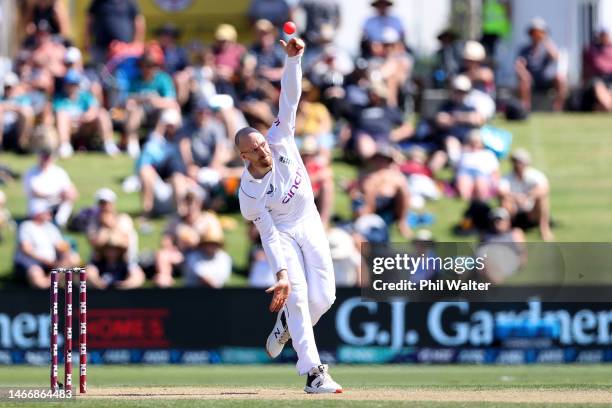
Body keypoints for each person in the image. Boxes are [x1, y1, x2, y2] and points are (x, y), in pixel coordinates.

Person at [236, 37, 342, 393]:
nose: (262, 150)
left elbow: (289, 98)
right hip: (281, 230)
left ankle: (285, 327)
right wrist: (281, 274)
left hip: (308, 219)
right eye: (254, 150)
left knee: (323, 298)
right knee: (296, 295)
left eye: (262, 144)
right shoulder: (249, 194)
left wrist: (294, 61)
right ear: (244, 157)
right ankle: (313, 373)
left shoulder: (281, 137)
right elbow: (266, 233)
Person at [154, 190, 221, 288]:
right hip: (182, 255)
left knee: (195, 259)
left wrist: (197, 243)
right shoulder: (177, 220)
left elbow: (216, 242)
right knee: (162, 255)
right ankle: (165, 281)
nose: (189, 206)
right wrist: (171, 248)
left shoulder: (208, 219)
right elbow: (166, 239)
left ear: (199, 204)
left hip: (201, 255)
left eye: (192, 202)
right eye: (187, 202)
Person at [124, 46, 179, 158]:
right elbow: (127, 100)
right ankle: (132, 144)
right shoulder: (135, 80)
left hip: (158, 112)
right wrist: (142, 99)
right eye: (145, 65)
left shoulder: (163, 78)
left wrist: (155, 100)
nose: (148, 68)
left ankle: (156, 142)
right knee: (134, 110)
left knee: (169, 113)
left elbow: (172, 102)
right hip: (141, 112)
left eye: (152, 65)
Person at [135, 109, 190, 219]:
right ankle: (147, 212)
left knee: (177, 178)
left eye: (173, 125)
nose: (171, 128)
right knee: (146, 171)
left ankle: (182, 214)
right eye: (168, 125)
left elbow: (189, 166)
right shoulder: (155, 144)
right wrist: (159, 130)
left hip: (181, 189)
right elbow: (142, 166)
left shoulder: (184, 142)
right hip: (160, 189)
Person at [85, 188, 145, 289]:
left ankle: (123, 287)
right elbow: (95, 244)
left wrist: (111, 225)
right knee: (88, 273)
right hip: (102, 259)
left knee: (137, 276)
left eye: (107, 203)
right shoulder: (93, 222)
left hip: (124, 259)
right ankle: (101, 287)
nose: (104, 206)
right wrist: (105, 229)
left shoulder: (124, 219)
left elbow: (125, 242)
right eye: (101, 203)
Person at [13, 200, 80, 289]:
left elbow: (60, 245)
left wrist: (66, 254)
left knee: (72, 259)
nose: (49, 213)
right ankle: (47, 287)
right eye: (46, 211)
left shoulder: (50, 227)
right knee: (36, 275)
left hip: (51, 264)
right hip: (31, 264)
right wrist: (46, 261)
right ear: (38, 213)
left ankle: (52, 284)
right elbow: (26, 249)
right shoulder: (26, 226)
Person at [53, 69, 119, 158]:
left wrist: (86, 117)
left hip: (86, 126)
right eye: (70, 84)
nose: (72, 87)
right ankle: (64, 146)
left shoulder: (85, 96)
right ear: (65, 85)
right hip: (70, 127)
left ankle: (109, 144)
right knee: (62, 116)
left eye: (74, 84)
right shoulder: (59, 99)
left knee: (102, 113)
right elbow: (59, 113)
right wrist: (74, 120)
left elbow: (94, 108)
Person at [351, 144, 412, 238]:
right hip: (368, 201)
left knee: (402, 189)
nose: (381, 161)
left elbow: (402, 191)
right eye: (379, 158)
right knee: (367, 190)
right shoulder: (367, 173)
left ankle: (402, 222)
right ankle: (365, 223)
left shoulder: (395, 175)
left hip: (388, 205)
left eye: (384, 159)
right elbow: (358, 190)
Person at [498, 148, 553, 241]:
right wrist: (516, 198)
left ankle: (544, 229)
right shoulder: (507, 177)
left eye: (519, 161)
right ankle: (506, 232)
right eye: (515, 161)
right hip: (515, 209)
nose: (517, 164)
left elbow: (544, 188)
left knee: (543, 199)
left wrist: (529, 195)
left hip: (531, 210)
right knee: (505, 201)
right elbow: (501, 191)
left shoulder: (535, 175)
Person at [515, 18, 567, 111]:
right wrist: (524, 73)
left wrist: (544, 41)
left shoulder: (548, 47)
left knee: (560, 79)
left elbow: (555, 57)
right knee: (524, 81)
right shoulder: (525, 49)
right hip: (532, 80)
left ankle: (558, 108)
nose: (536, 35)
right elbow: (519, 64)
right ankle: (525, 108)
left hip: (547, 80)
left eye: (540, 32)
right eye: (534, 32)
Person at [23, 147, 78, 228]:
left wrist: (69, 194)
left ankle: (60, 223)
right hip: (40, 202)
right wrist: (56, 196)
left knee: (67, 203)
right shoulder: (31, 173)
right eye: (44, 157)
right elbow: (36, 193)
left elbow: (70, 189)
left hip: (57, 201)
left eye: (48, 157)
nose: (46, 160)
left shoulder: (59, 172)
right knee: (38, 206)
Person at [86, 0, 146, 65]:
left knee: (121, 72)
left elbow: (138, 21)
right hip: (101, 48)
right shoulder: (98, 2)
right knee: (100, 71)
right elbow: (90, 20)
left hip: (124, 49)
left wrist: (137, 42)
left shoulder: (130, 2)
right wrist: (87, 40)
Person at [183, 220, 232, 288]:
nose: (212, 246)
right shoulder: (193, 257)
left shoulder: (224, 258)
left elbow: (222, 280)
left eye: (214, 244)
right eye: (209, 243)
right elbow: (203, 279)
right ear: (203, 244)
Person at [455, 130, 499, 201]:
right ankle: (468, 201)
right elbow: (456, 167)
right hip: (466, 173)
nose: (474, 144)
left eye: (476, 142)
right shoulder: (463, 153)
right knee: (463, 187)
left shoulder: (488, 154)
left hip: (481, 173)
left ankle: (479, 201)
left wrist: (495, 182)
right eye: (472, 142)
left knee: (480, 184)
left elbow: (495, 171)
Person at [582, 28, 612, 111]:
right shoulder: (591, 49)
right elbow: (586, 67)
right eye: (602, 34)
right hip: (597, 78)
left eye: (605, 34)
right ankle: (607, 107)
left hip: (610, 78)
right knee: (598, 85)